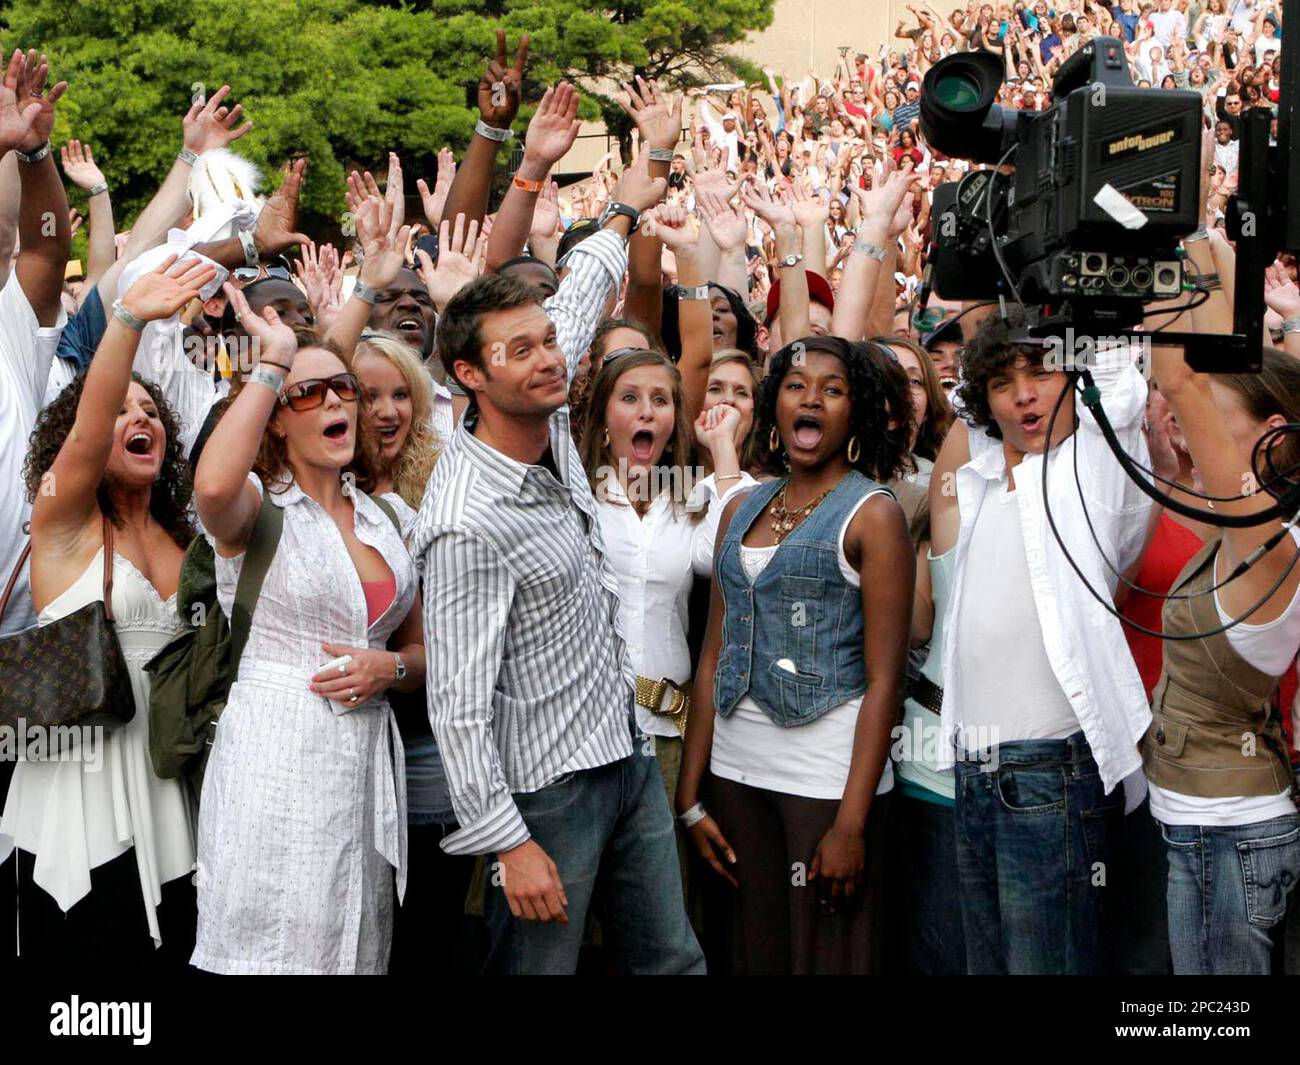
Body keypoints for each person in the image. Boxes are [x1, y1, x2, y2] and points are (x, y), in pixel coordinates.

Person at [410, 153, 705, 975]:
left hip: (627, 754)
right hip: (546, 795)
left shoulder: (541, 408)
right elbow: (458, 704)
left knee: (674, 961)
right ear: (469, 376)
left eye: (546, 344)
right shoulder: (467, 519)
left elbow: (574, 302)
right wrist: (509, 843)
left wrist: (626, 204)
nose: (547, 358)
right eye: (519, 351)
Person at [189, 288, 427, 974]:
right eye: (309, 394)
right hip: (274, 759)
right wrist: (272, 364)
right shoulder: (259, 509)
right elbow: (209, 489)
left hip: (361, 772)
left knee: (350, 948)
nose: (334, 404)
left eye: (343, 389)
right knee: (269, 949)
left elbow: (422, 649)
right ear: (275, 424)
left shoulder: (389, 520)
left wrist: (393, 670)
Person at [676, 336, 916, 975]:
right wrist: (690, 797)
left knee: (824, 958)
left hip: (823, 782)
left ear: (855, 411)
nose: (811, 399)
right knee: (749, 955)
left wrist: (851, 823)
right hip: (733, 776)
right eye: (795, 385)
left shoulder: (872, 514)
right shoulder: (742, 506)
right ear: (773, 405)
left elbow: (885, 680)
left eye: (832, 390)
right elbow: (712, 657)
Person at [4, 257, 213, 967]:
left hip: (170, 786)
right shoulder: (63, 522)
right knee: (87, 991)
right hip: (81, 787)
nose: (138, 418)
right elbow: (88, 436)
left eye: (150, 411)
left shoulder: (186, 543)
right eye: (122, 409)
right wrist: (126, 319)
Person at [942, 307, 1154, 975]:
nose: (1025, 393)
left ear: (1076, 377)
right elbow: (963, 400)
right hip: (972, 769)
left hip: (1051, 770)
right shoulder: (977, 480)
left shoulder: (1091, 466)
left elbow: (1120, 386)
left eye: (1043, 370)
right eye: (1005, 382)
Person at [1146, 345, 1300, 975]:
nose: (1189, 426)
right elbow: (1178, 481)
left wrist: (1158, 279)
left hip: (1230, 830)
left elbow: (1180, 380)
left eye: (1210, 412)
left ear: (1273, 433)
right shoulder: (1256, 529)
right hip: (1211, 823)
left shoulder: (1266, 542)